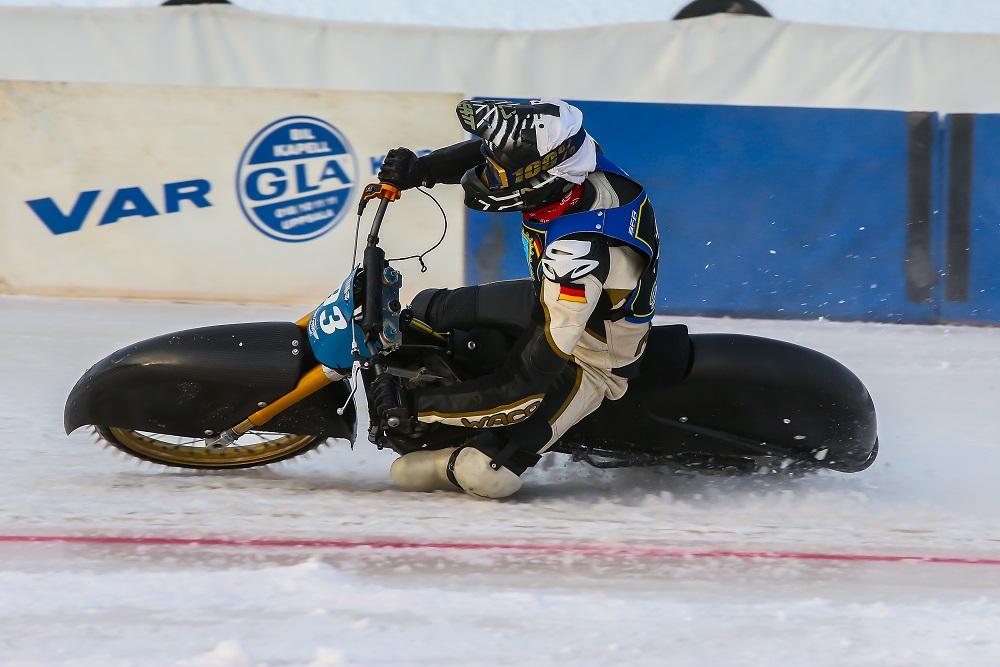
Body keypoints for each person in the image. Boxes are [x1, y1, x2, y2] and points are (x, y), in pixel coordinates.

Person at [371, 98, 659, 499]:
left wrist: (417, 405)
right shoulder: (577, 157)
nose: (487, 172)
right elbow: (502, 151)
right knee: (426, 308)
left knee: (480, 475)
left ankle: (460, 443)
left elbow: (522, 386)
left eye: (501, 170)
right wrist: (425, 169)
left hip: (590, 355)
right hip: (553, 299)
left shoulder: (577, 258)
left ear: (542, 183)